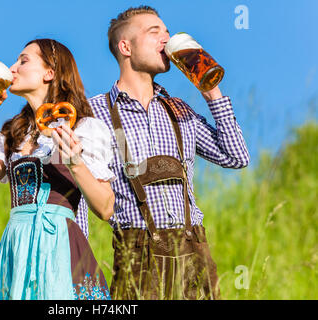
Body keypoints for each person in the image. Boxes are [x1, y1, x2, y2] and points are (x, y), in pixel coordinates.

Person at [77, 6, 250, 300]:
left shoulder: (179, 109)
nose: (166, 40)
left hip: (193, 250)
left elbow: (236, 157)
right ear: (125, 47)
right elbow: (81, 194)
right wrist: (79, 270)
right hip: (136, 255)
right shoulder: (95, 113)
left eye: (167, 33)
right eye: (154, 32)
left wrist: (212, 93)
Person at [0, 38, 115, 300]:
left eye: (23, 61)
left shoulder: (83, 129)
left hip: (60, 246)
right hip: (17, 244)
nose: (12, 68)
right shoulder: (14, 134)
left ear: (50, 72)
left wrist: (75, 163)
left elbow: (106, 207)